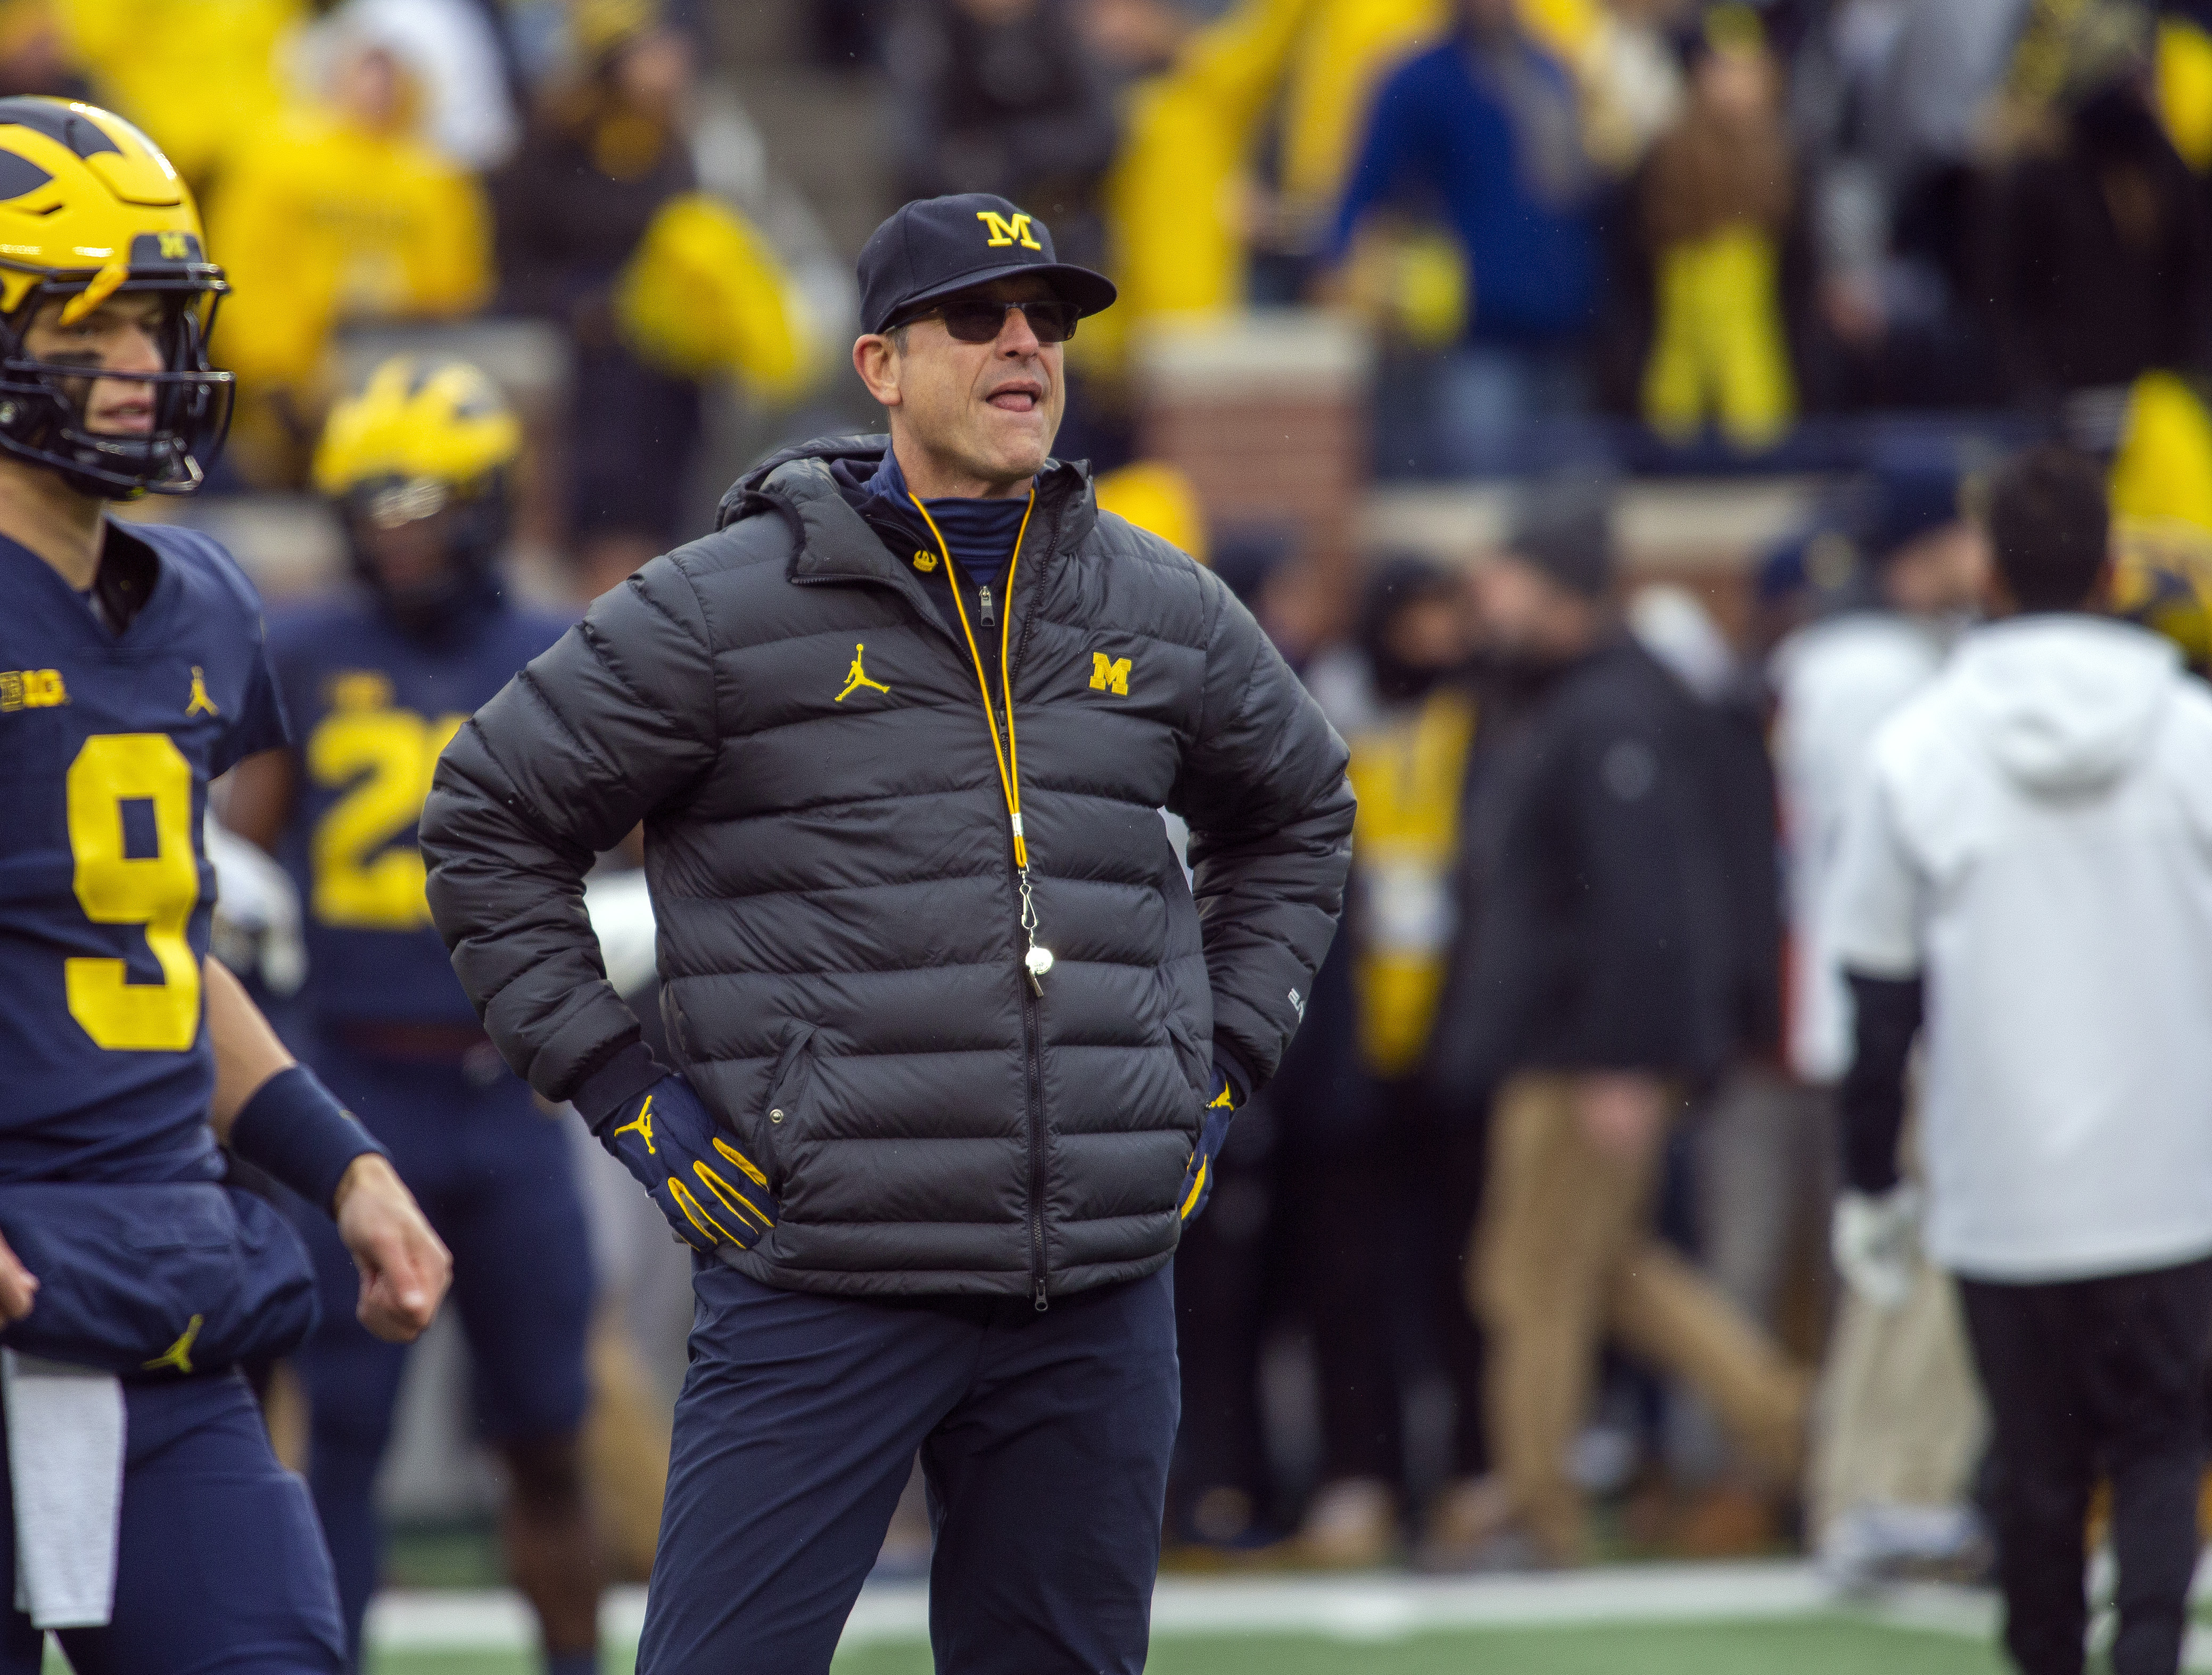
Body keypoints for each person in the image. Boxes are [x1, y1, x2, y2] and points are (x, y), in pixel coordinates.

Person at [419, 190, 1354, 1673]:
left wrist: (1216, 1059)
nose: (1021, 346)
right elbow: (484, 816)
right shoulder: (723, 609)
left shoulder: (1159, 603)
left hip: (1092, 1290)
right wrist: (619, 1090)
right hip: (823, 1274)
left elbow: (1301, 809)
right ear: (878, 366)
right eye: (975, 317)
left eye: (1045, 321)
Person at [0, 95, 448, 1671]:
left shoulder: (197, 602)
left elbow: (150, 944)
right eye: (96, 318)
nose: (143, 360)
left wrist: (344, 1166)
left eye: (161, 318)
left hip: (152, 1285)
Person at [219, 356, 598, 1675]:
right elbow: (235, 866)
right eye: (372, 501)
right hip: (352, 1079)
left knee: (547, 1430)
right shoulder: (308, 648)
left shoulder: (549, 651)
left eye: (426, 498)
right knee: (341, 1433)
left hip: (505, 1090)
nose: (399, 528)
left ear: (491, 496)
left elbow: (634, 847)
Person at [1828, 444, 2212, 1675]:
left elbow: (1874, 991)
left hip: (2000, 1183)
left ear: (1985, 571)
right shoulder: (2190, 735)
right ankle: (2147, 1650)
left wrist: (1868, 1183)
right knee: (2159, 1442)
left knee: (2035, 1467)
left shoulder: (1920, 746)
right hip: (2167, 1172)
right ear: (2110, 571)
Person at [1426, 481, 1805, 1567]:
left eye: (1503, 581)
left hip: (1581, 1054)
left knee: (1535, 1279)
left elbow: (1648, 905)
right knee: (1602, 1269)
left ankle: (1543, 1512)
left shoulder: (1608, 714)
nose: (1483, 603)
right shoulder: (1567, 697)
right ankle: (1788, 1421)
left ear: (1557, 589)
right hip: (1560, 1046)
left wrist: (1628, 1057)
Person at [207, 24, 492, 484]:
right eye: (366, 70)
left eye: (390, 72)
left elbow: (459, 287)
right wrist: (272, 370)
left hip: (398, 364)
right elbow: (246, 272)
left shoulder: (436, 178)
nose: (377, 87)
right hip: (291, 376)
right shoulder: (278, 159)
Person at [1325, 0, 1599, 471]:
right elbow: (1363, 185)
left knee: (1563, 500)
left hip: (1562, 332)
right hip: (1474, 334)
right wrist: (1330, 261)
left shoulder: (1549, 68)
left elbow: (1575, 190)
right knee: (1481, 492)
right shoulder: (1420, 78)